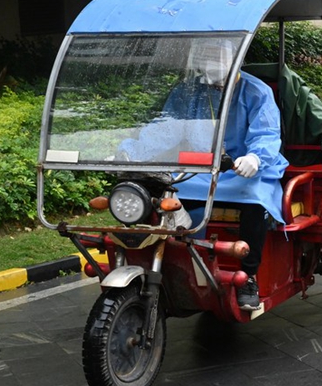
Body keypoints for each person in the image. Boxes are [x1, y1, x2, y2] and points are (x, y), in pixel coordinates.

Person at [120, 38, 288, 311]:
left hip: (245, 171)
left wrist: (255, 157)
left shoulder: (256, 91)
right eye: (205, 56)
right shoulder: (188, 92)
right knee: (164, 192)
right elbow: (165, 129)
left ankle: (248, 277)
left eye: (216, 56)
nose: (210, 63)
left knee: (254, 201)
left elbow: (267, 133)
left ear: (234, 58)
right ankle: (179, 261)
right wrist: (131, 151)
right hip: (201, 169)